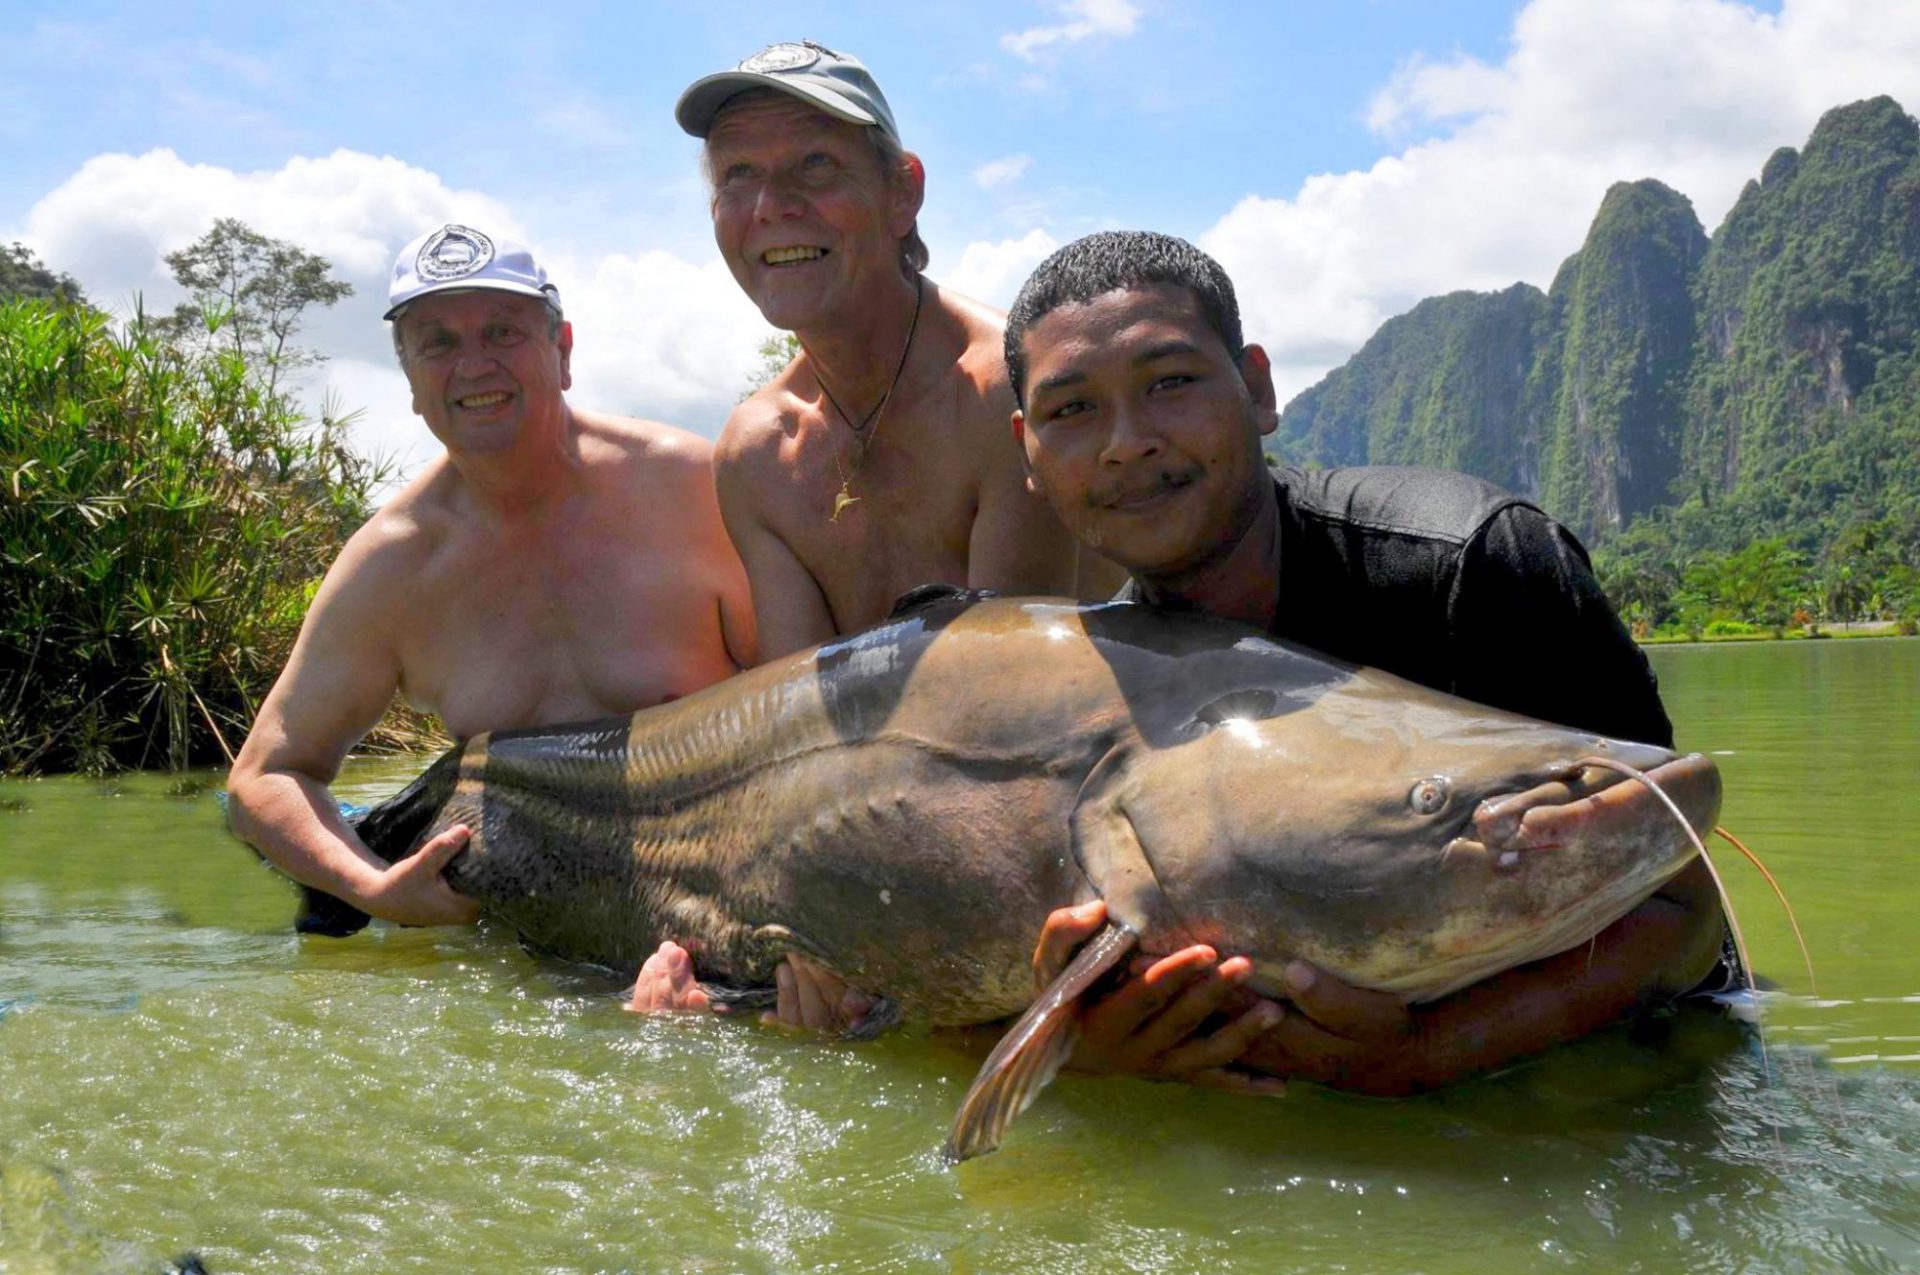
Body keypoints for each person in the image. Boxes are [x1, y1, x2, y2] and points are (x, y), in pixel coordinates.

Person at [1004, 230, 1729, 1095]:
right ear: (1028, 454)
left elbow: (1685, 917)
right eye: (1072, 410)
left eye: (1170, 382)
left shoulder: (1475, 565)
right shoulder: (1087, 687)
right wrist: (1096, 1045)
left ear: (1259, 389)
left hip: (1624, 1068)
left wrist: (1423, 1055)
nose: (1126, 442)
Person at [227, 224, 756, 927]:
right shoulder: (394, 564)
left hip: (719, 878)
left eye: (503, 332)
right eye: (438, 343)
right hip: (527, 916)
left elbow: (814, 699)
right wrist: (373, 887)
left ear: (561, 351)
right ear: (411, 379)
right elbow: (264, 777)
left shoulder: (696, 489)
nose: (473, 365)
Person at [672, 40, 1118, 663]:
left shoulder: (1007, 388)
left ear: (903, 191)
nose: (771, 208)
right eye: (738, 176)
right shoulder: (758, 454)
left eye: (817, 163)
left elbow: (1012, 691)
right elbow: (802, 708)